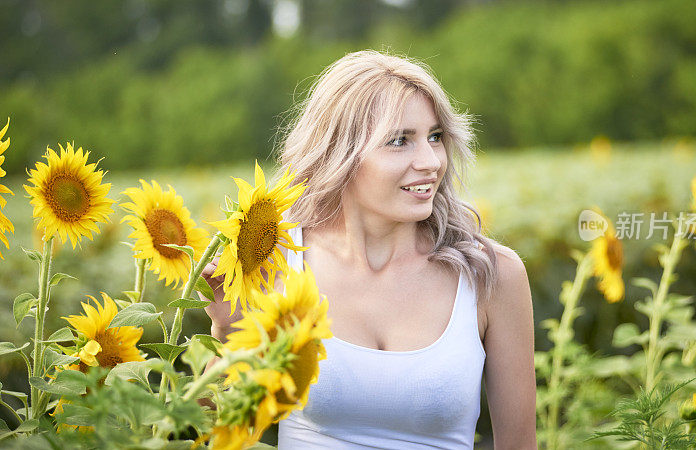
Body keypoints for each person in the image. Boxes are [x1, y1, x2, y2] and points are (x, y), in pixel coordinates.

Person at [202, 50, 537, 449]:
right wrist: (227, 334)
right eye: (399, 141)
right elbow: (209, 425)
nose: (430, 161)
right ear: (339, 154)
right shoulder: (279, 260)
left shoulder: (491, 275)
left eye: (435, 137)